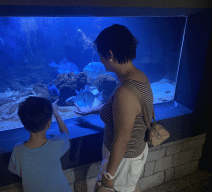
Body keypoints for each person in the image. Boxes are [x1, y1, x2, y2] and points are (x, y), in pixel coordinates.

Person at [74, 24, 154, 192]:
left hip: (124, 160)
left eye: (100, 56)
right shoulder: (138, 76)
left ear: (109, 54)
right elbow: (121, 109)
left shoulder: (125, 91)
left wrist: (108, 178)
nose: (100, 61)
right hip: (134, 152)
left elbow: (122, 138)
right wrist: (91, 110)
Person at [8, 96, 72, 192]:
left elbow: (18, 172)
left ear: (24, 124)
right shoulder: (56, 144)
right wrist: (56, 114)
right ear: (48, 123)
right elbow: (65, 134)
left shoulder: (18, 149)